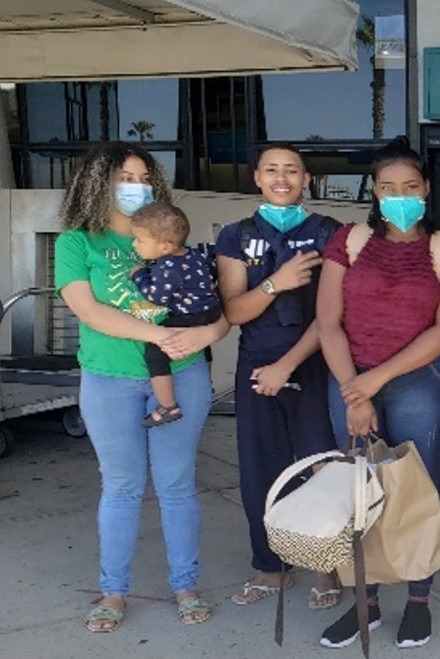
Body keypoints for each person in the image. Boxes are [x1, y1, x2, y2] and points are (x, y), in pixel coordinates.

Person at [54, 142, 229, 633]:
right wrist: (159, 334)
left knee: (176, 486)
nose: (136, 187)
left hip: (182, 375)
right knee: (122, 487)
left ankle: (186, 584)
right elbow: (89, 311)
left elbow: (217, 313)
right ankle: (113, 589)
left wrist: (205, 334)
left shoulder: (173, 240)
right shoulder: (77, 242)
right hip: (109, 379)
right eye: (124, 177)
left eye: (143, 177)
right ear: (97, 182)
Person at [316, 136, 440, 650]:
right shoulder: (349, 240)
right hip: (348, 376)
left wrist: (375, 381)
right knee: (356, 493)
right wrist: (355, 394)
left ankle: (419, 601)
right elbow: (327, 322)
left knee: (415, 491)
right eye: (388, 187)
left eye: (409, 186)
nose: (399, 195)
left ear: (427, 189)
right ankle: (367, 603)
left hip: (417, 381)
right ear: (375, 191)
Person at [214, 144, 342, 610]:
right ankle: (270, 567)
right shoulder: (236, 235)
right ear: (257, 178)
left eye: (292, 171)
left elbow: (333, 313)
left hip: (314, 362)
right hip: (256, 367)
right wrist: (275, 283)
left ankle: (326, 571)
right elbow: (233, 309)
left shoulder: (328, 233)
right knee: (261, 472)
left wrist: (287, 365)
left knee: (322, 469)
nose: (282, 178)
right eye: (272, 170)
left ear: (306, 179)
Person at [129, 202, 223, 428]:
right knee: (203, 345)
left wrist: (140, 274)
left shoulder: (167, 266)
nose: (135, 244)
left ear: (164, 247)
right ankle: (207, 383)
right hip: (210, 311)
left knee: (155, 351)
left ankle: (167, 405)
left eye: (140, 240)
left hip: (189, 315)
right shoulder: (193, 254)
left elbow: (156, 296)